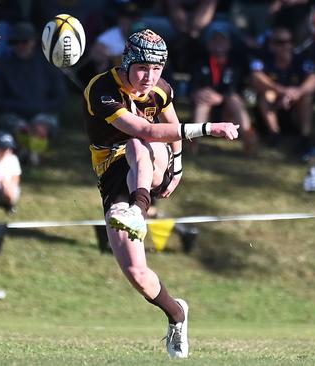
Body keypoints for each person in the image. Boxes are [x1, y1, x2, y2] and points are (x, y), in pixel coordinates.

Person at [82, 28, 239, 358]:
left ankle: (139, 211)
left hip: (150, 162)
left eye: (156, 69)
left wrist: (177, 168)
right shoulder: (102, 89)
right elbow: (146, 127)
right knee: (137, 274)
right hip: (113, 172)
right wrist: (209, 128)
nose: (149, 77)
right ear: (127, 63)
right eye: (142, 68)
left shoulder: (160, 90)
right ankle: (177, 315)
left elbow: (165, 132)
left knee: (140, 146)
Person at [0, 21, 67, 166]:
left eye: (24, 41)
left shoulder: (48, 63)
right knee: (21, 128)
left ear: (33, 41)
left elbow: (61, 97)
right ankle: (28, 152)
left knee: (40, 127)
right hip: (15, 114)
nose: (20, 45)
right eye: (15, 42)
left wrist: (40, 108)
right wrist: (23, 108)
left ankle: (30, 154)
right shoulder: (5, 64)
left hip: (43, 112)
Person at [189, 21, 256, 154]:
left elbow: (238, 90)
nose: (218, 44)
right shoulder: (200, 63)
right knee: (203, 101)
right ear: (208, 44)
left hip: (228, 111)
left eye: (222, 40)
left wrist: (221, 98)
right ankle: (193, 141)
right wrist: (198, 93)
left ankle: (249, 138)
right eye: (214, 40)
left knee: (234, 100)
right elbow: (193, 88)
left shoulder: (236, 65)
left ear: (229, 44)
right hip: (207, 111)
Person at [250, 26, 315, 153]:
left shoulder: (300, 59)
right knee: (266, 94)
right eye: (280, 42)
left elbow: (314, 79)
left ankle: (304, 137)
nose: (285, 46)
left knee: (307, 96)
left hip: (295, 105)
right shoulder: (264, 59)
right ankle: (274, 133)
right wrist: (280, 90)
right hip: (274, 103)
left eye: (288, 41)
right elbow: (256, 77)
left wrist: (298, 92)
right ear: (271, 44)